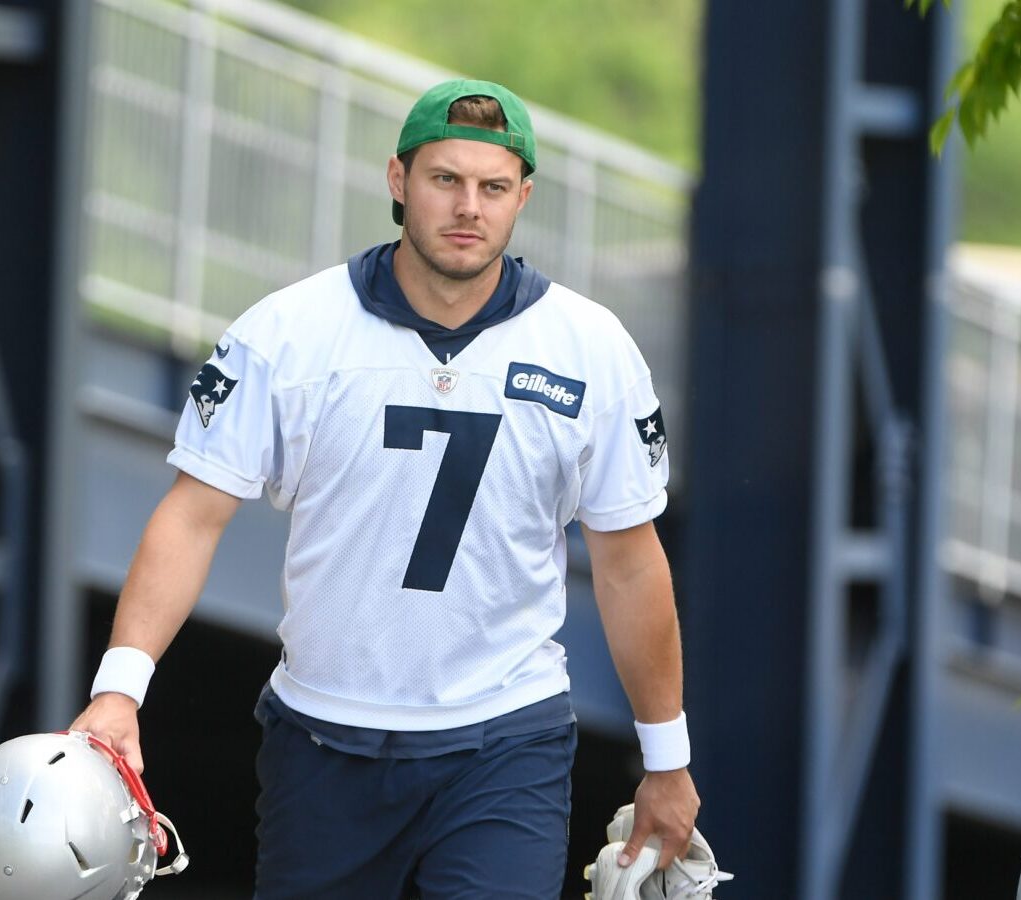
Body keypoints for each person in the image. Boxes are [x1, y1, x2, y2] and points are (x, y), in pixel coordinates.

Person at [71, 78, 701, 899]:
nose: (468, 207)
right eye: (445, 180)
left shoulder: (591, 349)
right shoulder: (289, 331)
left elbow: (628, 564)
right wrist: (119, 691)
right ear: (398, 180)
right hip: (323, 742)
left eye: (493, 187)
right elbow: (193, 518)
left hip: (504, 739)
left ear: (523, 198)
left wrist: (667, 761)